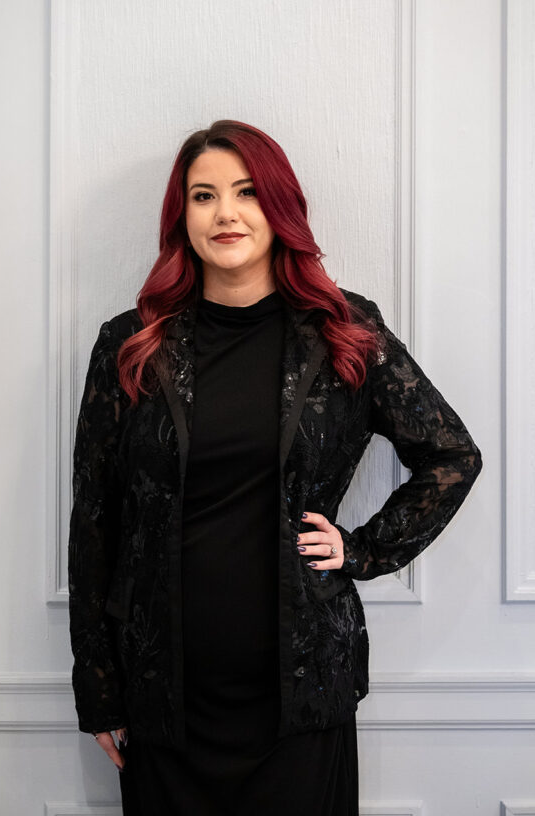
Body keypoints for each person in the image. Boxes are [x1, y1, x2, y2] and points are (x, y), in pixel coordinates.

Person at [67, 119, 482, 816]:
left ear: (279, 206)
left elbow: (451, 455)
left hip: (301, 695)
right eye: (203, 196)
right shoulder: (131, 344)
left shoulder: (345, 331)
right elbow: (94, 522)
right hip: (164, 696)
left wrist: (362, 549)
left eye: (247, 192)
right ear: (181, 217)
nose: (225, 214)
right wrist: (99, 687)